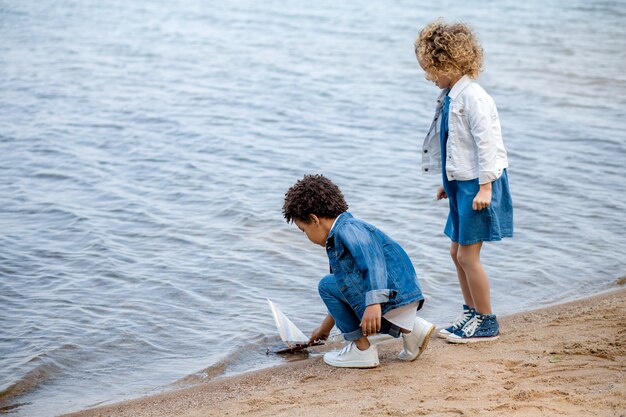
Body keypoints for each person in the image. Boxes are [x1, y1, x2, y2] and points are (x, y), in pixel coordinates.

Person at [415, 21, 513, 343]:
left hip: (478, 185)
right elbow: (451, 143)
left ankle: (487, 321)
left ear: (449, 63)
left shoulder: (474, 98)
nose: (429, 77)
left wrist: (485, 187)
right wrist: (447, 181)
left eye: (432, 69)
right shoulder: (450, 96)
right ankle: (471, 313)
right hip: (460, 183)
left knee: (468, 256)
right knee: (455, 251)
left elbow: (487, 145)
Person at [283, 174, 435, 368]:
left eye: (303, 230)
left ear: (314, 220)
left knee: (325, 285)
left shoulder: (347, 230)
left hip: (388, 296)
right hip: (402, 297)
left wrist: (373, 303)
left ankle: (362, 350)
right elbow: (345, 289)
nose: (307, 236)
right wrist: (325, 327)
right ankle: (412, 329)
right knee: (334, 284)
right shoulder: (348, 228)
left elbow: (373, 262)